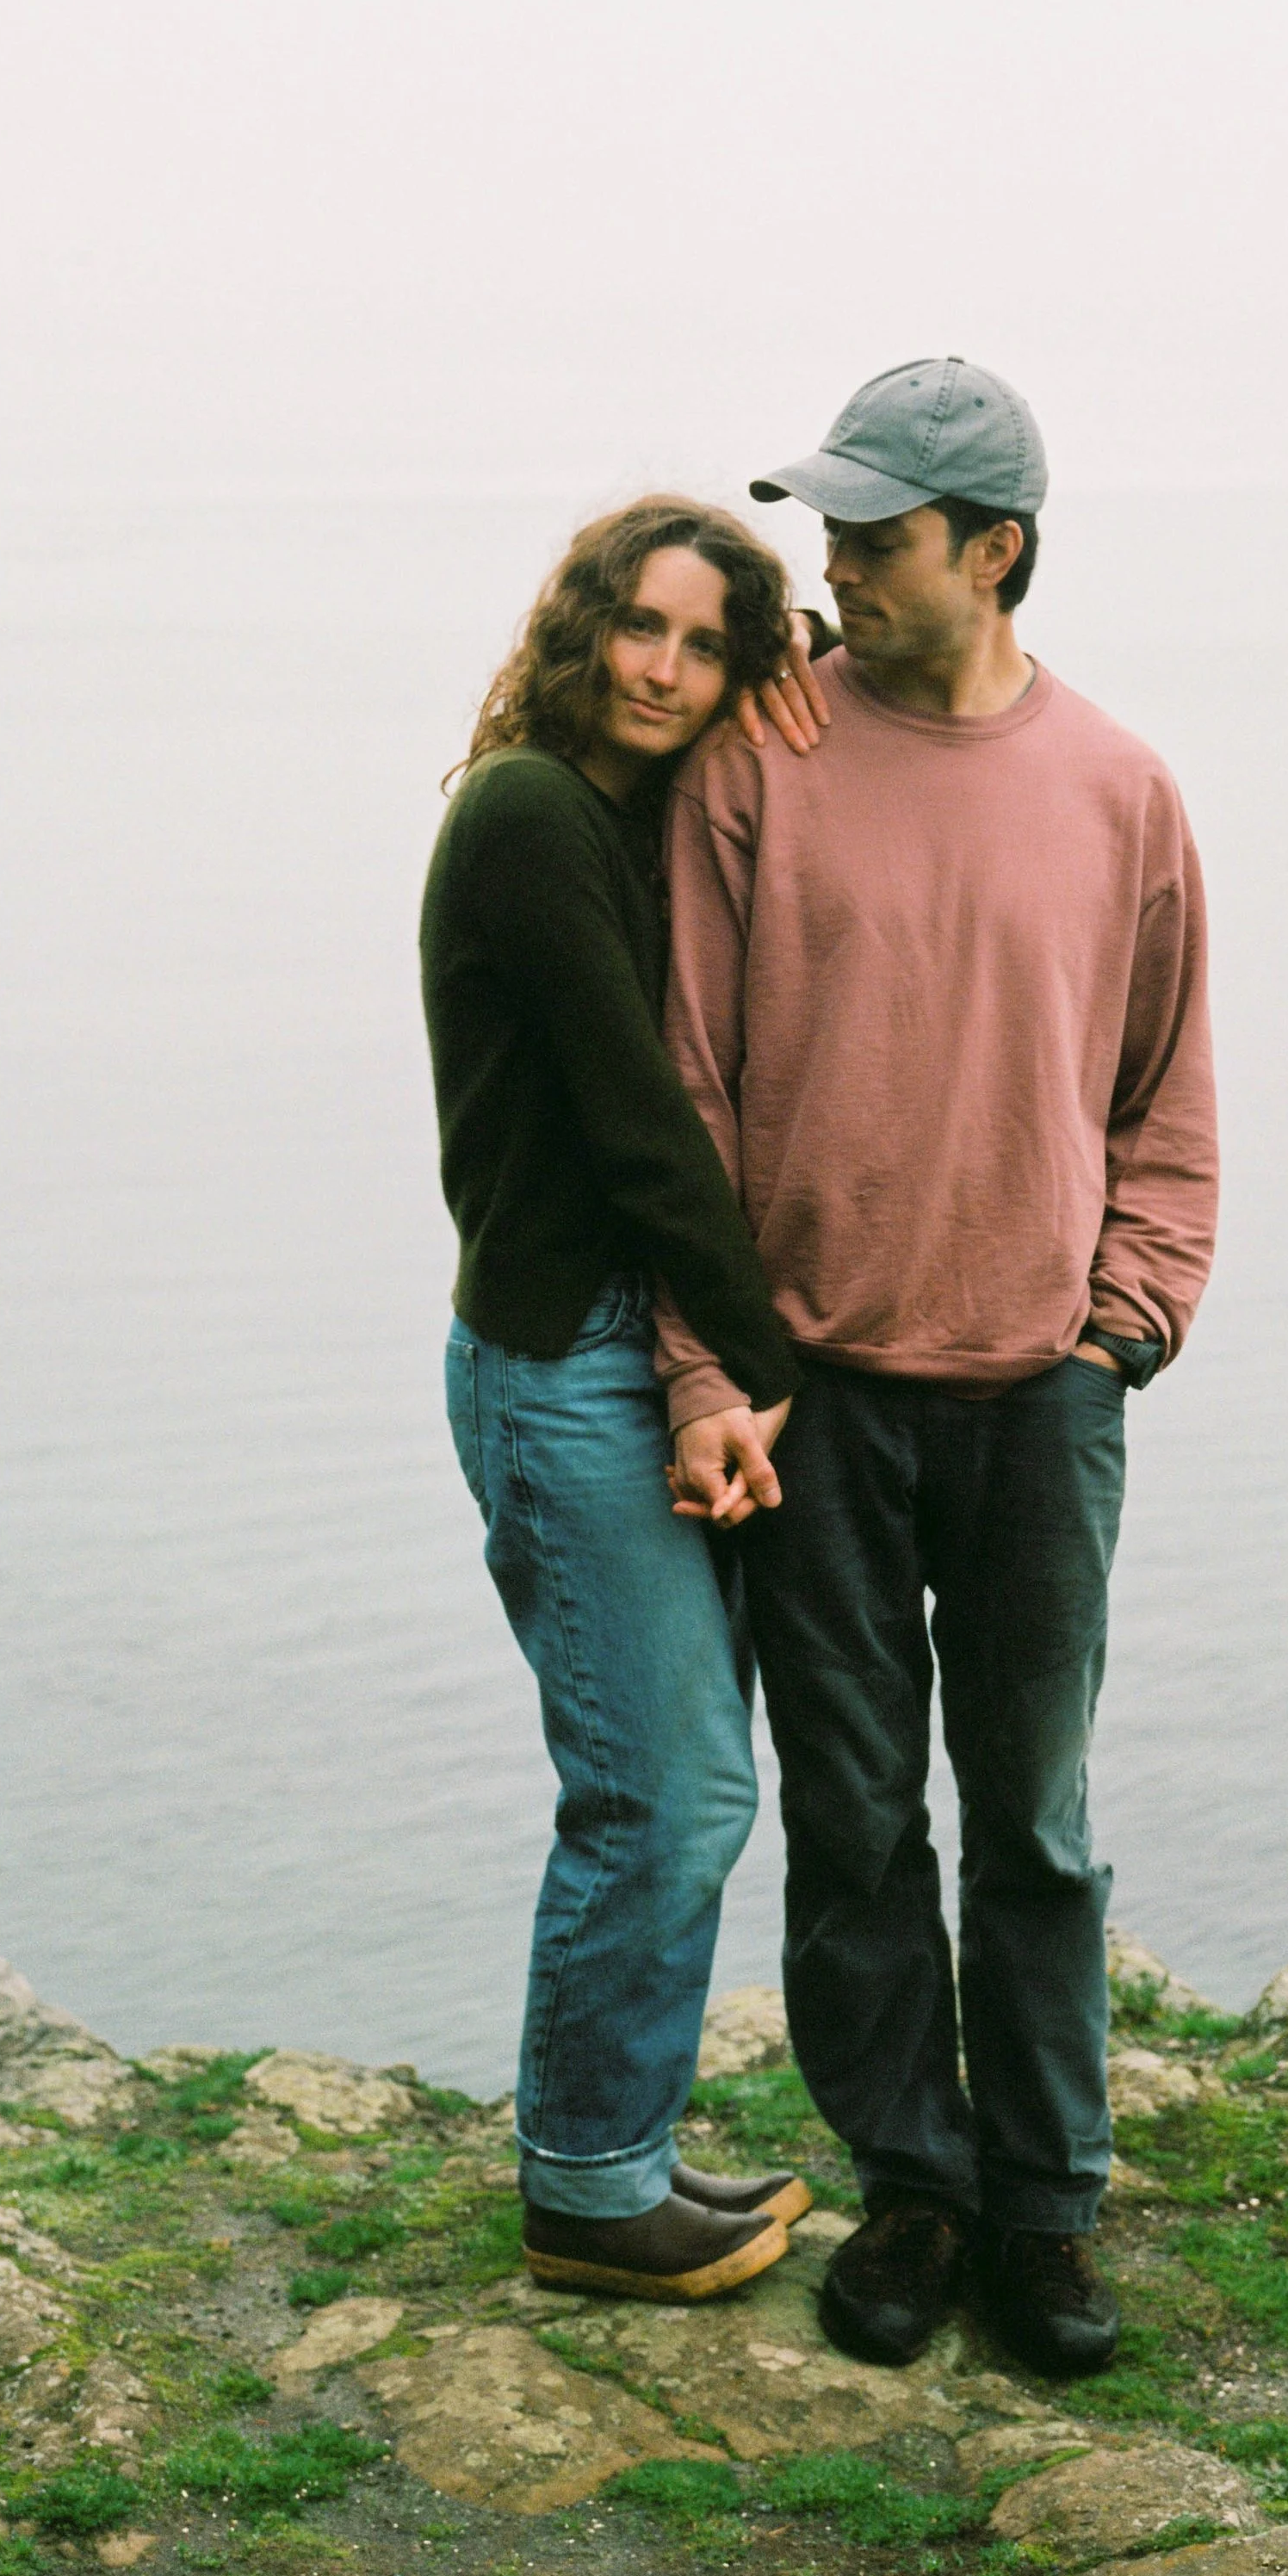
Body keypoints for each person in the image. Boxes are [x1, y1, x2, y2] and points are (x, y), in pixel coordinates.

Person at [657, 362, 1219, 2375]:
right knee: (855, 1817)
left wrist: (1126, 1317)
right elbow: (690, 1089)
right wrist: (702, 1367)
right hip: (814, 1390)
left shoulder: (1121, 787)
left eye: (873, 539)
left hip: (1039, 1392)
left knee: (1038, 1823)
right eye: (829, 533)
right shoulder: (759, 762)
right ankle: (915, 2181)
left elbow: (1164, 1090)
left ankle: (1047, 2211)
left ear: (990, 551)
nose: (837, 566)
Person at [420, 495, 830, 2305]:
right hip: (563, 1359)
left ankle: (620, 2148)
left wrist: (816, 664)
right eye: (638, 628)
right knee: (657, 1792)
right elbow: (637, 1123)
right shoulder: (526, 814)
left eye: (705, 642)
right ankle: (588, 2189)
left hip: (613, 1347)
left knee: (683, 1782)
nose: (664, 669)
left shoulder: (618, 814)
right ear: (581, 628)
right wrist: (765, 1362)